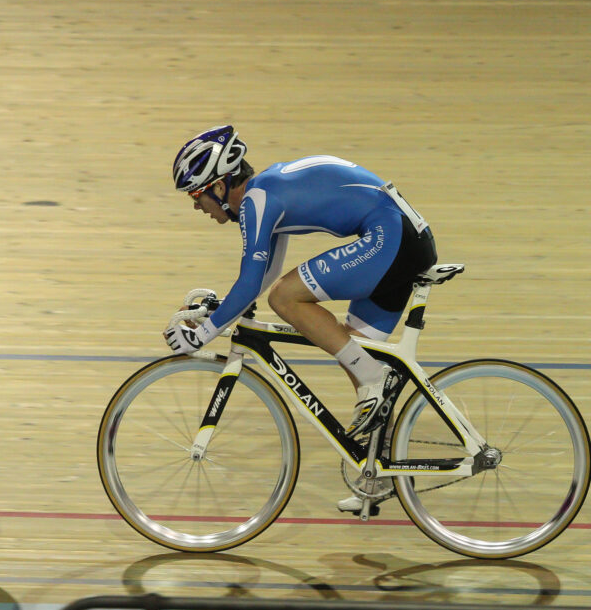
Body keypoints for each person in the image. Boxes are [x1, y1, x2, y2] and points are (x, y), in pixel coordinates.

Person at [164, 125, 437, 512]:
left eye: (196, 195)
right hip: (401, 236)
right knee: (354, 352)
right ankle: (380, 473)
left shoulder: (258, 200)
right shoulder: (266, 193)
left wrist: (203, 333)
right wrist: (221, 307)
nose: (196, 206)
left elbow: (257, 284)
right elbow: (261, 275)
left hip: (388, 237)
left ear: (221, 186)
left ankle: (375, 382)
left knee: (287, 299)